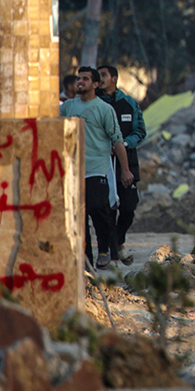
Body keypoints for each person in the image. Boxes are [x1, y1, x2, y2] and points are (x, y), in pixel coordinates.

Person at [61, 67, 135, 268]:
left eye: (85, 79)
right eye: (78, 79)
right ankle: (86, 265)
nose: (80, 82)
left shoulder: (104, 109)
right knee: (79, 220)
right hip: (74, 172)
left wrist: (126, 169)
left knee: (97, 208)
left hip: (97, 169)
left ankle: (104, 249)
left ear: (95, 85)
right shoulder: (68, 107)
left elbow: (117, 141)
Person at [97, 65, 146, 264]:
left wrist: (123, 145)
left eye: (103, 75)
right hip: (103, 162)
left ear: (114, 79)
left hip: (127, 163)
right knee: (106, 209)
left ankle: (118, 241)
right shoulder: (96, 104)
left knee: (128, 207)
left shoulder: (129, 103)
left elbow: (140, 131)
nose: (100, 79)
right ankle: (107, 250)